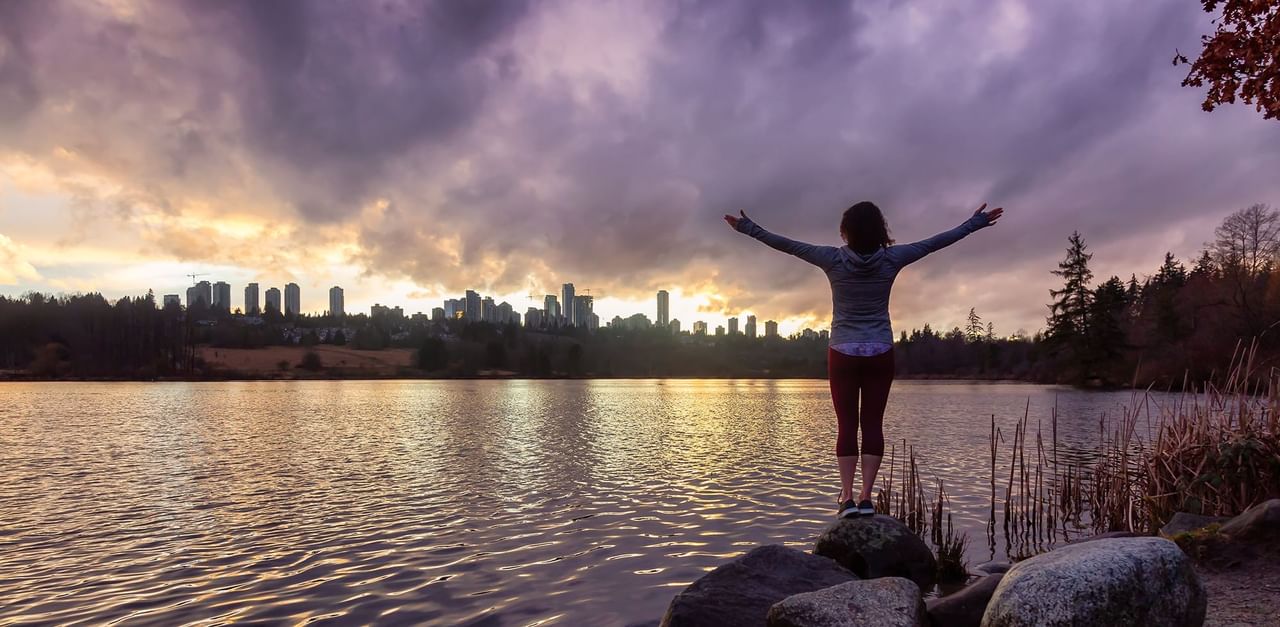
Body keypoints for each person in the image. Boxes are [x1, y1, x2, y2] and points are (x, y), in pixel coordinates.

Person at [724, 201, 1004, 518]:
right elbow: (936, 242)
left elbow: (787, 245)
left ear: (846, 232)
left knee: (847, 425)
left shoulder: (831, 258)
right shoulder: (893, 258)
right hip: (880, 351)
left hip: (842, 351)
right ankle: (866, 497)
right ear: (880, 231)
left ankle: (846, 499)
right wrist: (974, 223)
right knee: (872, 424)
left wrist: (747, 228)